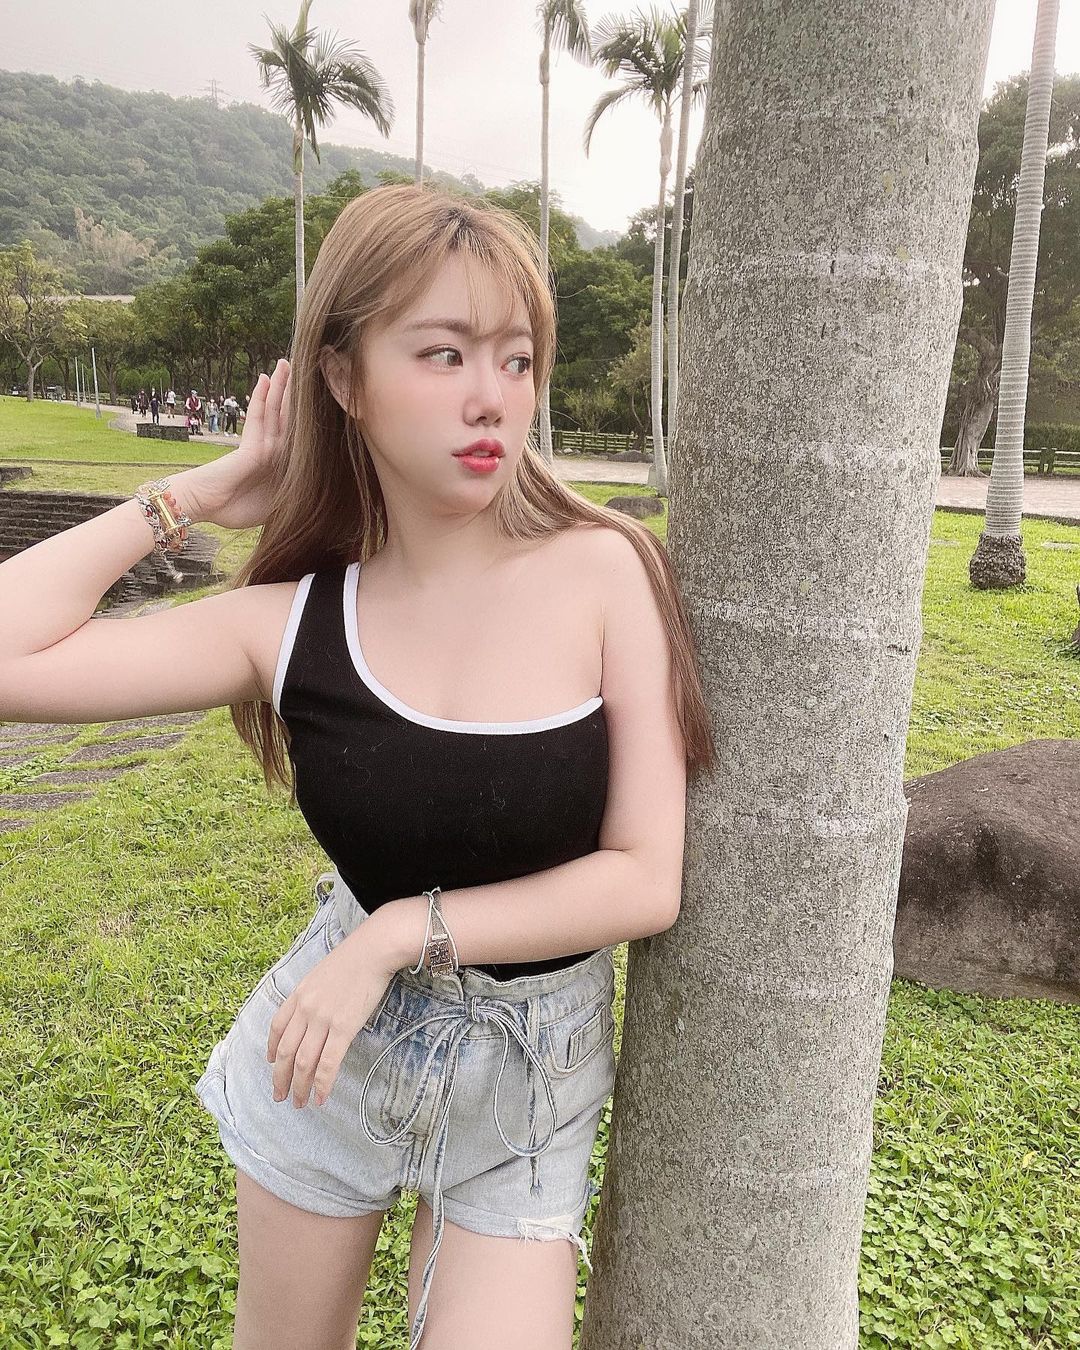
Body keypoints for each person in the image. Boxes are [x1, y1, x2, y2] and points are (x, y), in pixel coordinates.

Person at [0, 184, 714, 1349]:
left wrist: (395, 935)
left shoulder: (604, 571)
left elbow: (645, 877)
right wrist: (197, 494)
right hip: (326, 1068)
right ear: (344, 378)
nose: (492, 397)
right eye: (443, 353)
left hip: (525, 1088)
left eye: (516, 359)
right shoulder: (293, 626)